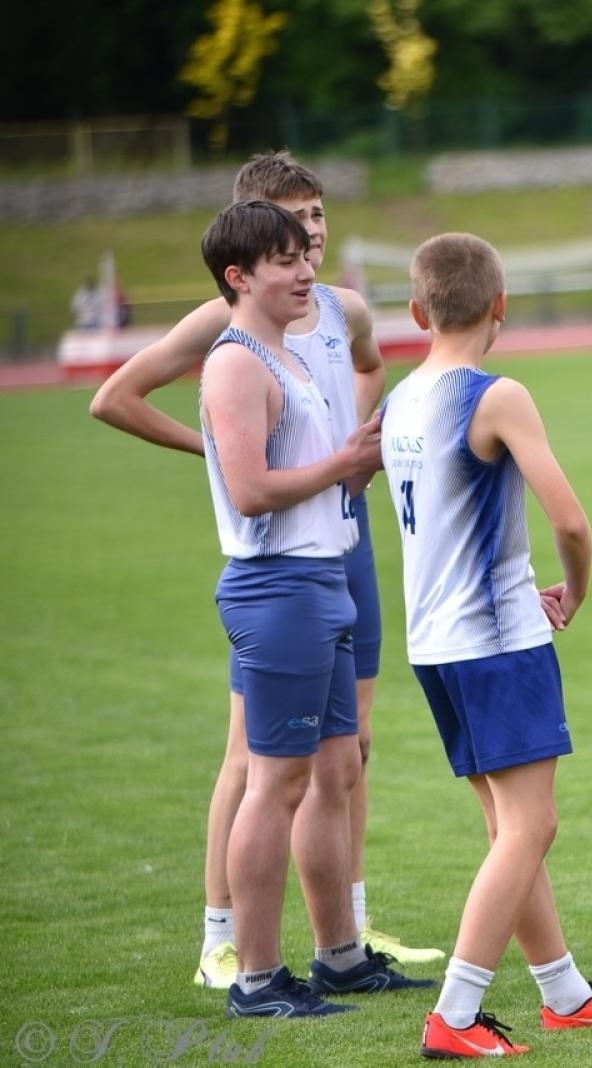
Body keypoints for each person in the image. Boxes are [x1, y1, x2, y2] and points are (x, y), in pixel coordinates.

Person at [89, 151, 442, 990]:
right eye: (292, 227)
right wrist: (217, 452)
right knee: (258, 764)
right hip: (279, 569)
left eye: (316, 219)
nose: (312, 237)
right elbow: (120, 401)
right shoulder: (234, 339)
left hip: (336, 550)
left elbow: (364, 371)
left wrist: (353, 454)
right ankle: (232, 948)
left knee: (345, 754)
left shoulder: (331, 314)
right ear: (250, 255)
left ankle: (344, 939)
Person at [380, 233, 592, 1058]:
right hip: (497, 639)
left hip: (433, 643)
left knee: (511, 826)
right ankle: (455, 1016)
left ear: (416, 311)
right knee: (529, 828)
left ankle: (564, 995)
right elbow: (570, 519)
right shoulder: (495, 394)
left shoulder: (402, 399)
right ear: (501, 307)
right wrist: (572, 590)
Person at [196, 199, 432, 1017]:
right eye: (287, 261)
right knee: (277, 783)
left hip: (322, 580)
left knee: (332, 772)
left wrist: (363, 462)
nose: (307, 272)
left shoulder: (286, 357)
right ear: (240, 277)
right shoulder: (234, 364)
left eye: (306, 256)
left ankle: (340, 958)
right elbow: (253, 492)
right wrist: (341, 464)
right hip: (279, 590)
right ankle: (257, 979)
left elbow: (319, 478)